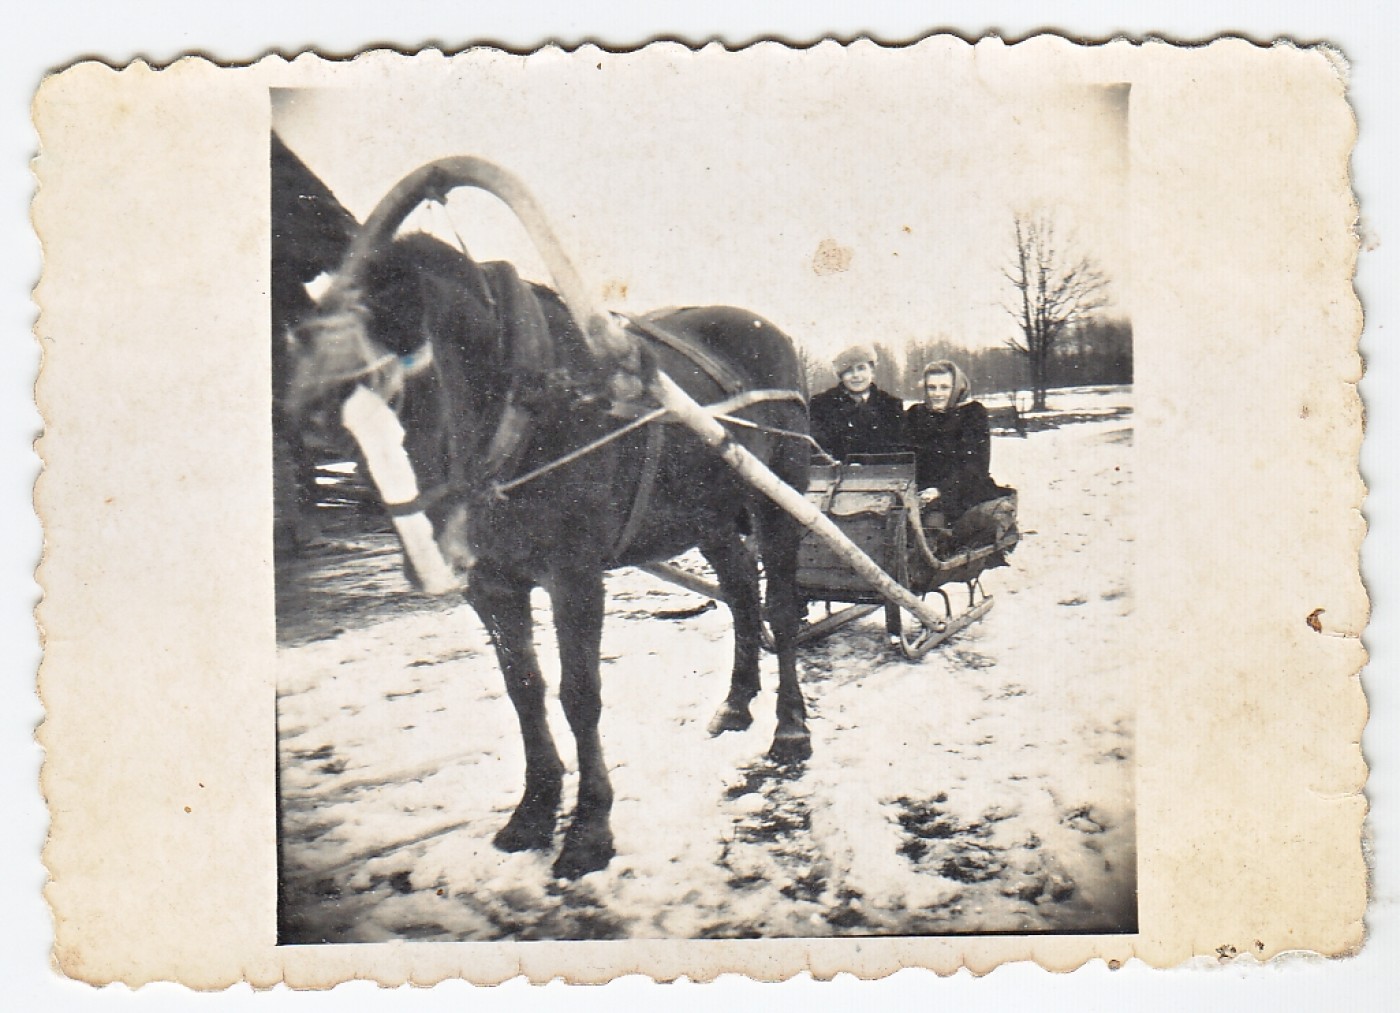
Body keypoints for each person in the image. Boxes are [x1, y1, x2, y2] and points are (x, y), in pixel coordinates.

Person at [903, 360, 1013, 547]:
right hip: (920, 490)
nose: (937, 394)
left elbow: (975, 466)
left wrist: (940, 491)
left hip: (962, 489)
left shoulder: (972, 414)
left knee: (932, 529)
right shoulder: (916, 414)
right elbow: (905, 454)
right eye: (931, 388)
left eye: (944, 387)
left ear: (956, 388)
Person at [808, 344, 906, 461]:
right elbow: (819, 449)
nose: (856, 375)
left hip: (881, 471)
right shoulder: (822, 404)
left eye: (861, 368)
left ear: (872, 371)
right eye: (849, 371)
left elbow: (898, 450)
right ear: (841, 375)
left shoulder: (891, 405)